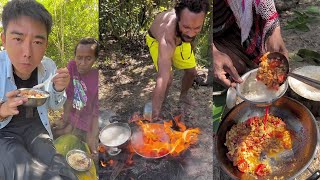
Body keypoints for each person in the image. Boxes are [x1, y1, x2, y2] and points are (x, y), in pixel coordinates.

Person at [0, 0, 76, 179]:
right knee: (25, 170)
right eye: (18, 39)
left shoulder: (48, 67)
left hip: (36, 129)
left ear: (46, 44)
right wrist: (2, 110)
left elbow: (55, 106)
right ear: (3, 39)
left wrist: (58, 88)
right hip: (4, 133)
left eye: (37, 42)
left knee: (62, 170)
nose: (27, 52)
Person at [146, 0, 209, 119]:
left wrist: (188, 34)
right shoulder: (167, 39)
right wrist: (154, 115)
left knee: (191, 72)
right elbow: (162, 78)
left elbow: (190, 33)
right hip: (156, 40)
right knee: (167, 78)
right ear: (178, 19)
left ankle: (183, 96)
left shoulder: (189, 28)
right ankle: (160, 108)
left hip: (181, 38)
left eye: (197, 28)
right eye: (186, 27)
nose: (191, 34)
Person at [212, 0, 288, 87]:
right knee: (237, 67)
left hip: (233, 16)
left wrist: (273, 30)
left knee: (255, 61)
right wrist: (213, 51)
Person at [54, 37, 99, 155]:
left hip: (85, 124)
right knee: (51, 133)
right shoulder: (72, 66)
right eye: (79, 58)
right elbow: (68, 95)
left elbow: (96, 112)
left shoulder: (96, 78)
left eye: (88, 58)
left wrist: (92, 136)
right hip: (71, 116)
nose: (82, 63)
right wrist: (65, 119)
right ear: (75, 57)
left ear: (95, 58)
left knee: (74, 150)